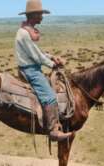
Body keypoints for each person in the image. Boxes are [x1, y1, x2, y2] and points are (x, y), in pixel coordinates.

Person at [15, 0, 73, 141]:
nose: (42, 17)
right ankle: (53, 130)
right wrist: (52, 65)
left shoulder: (26, 31)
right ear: (34, 15)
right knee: (49, 96)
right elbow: (36, 56)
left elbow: (37, 52)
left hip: (32, 67)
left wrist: (52, 57)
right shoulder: (24, 34)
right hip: (30, 70)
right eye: (40, 14)